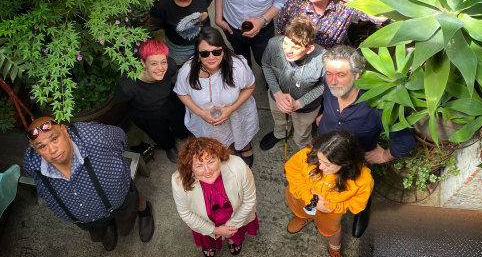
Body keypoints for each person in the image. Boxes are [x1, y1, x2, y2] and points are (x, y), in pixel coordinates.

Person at [22, 118, 155, 251]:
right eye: (42, 146)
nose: (52, 150)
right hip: (87, 221)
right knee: (99, 233)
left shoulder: (94, 136)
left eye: (54, 139)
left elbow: (121, 138)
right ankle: (108, 226)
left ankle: (144, 211)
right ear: (34, 148)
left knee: (131, 210)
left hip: (120, 200)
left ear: (64, 131)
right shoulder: (31, 162)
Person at [285, 131, 373, 257]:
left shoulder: (363, 178)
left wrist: (334, 207)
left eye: (327, 164)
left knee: (332, 230)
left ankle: (335, 249)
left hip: (329, 211)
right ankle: (307, 217)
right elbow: (293, 171)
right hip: (303, 198)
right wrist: (308, 197)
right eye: (319, 160)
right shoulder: (309, 154)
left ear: (345, 164)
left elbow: (358, 204)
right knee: (303, 211)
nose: (320, 167)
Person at [174, 27, 259, 167]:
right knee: (213, 142)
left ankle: (245, 147)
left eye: (216, 52)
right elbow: (181, 93)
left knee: (240, 131)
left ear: (223, 50)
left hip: (236, 112)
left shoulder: (237, 66)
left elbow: (250, 86)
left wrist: (230, 109)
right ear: (198, 55)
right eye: (205, 53)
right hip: (205, 120)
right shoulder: (187, 72)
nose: (211, 57)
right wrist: (201, 113)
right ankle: (221, 152)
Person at [317, 45, 416, 163]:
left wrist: (385, 155)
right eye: (329, 73)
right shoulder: (329, 82)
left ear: (356, 75)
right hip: (322, 146)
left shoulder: (377, 106)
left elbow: (405, 142)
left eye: (341, 75)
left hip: (351, 161)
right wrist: (326, 114)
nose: (333, 81)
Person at [172, 137, 258, 257]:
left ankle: (232, 237)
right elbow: (185, 213)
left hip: (234, 217)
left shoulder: (239, 166)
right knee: (207, 236)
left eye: (211, 161)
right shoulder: (178, 181)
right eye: (199, 165)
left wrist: (230, 227)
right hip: (205, 222)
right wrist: (215, 230)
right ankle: (211, 242)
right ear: (190, 166)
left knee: (233, 233)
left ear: (220, 158)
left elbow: (249, 200)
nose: (207, 171)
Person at [114, 40, 190, 162]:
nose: (160, 68)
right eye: (154, 63)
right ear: (143, 63)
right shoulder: (127, 86)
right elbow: (120, 101)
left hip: (169, 100)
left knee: (180, 123)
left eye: (163, 62)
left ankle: (182, 133)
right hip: (146, 111)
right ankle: (168, 146)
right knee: (159, 132)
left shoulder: (169, 66)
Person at [260, 17, 325, 151]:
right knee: (279, 120)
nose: (287, 51)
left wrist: (300, 103)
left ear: (309, 48)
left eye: (295, 48)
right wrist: (277, 94)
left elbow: (326, 85)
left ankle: (302, 143)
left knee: (302, 129)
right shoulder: (273, 44)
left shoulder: (323, 58)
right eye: (285, 43)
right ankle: (279, 134)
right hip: (276, 98)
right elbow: (266, 65)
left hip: (307, 107)